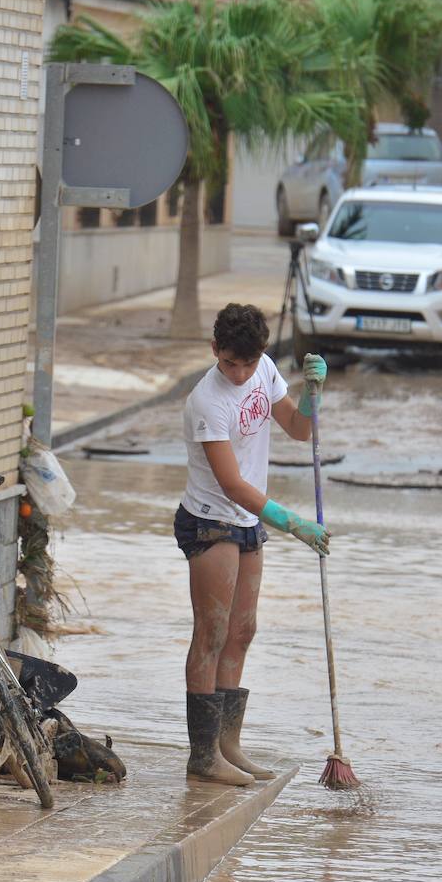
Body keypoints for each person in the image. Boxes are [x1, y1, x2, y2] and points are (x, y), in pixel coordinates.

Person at [175, 303, 331, 786]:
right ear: (215, 350)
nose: (240, 374)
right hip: (210, 520)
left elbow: (300, 429)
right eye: (230, 364)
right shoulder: (207, 403)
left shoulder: (264, 370)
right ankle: (203, 755)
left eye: (247, 363)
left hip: (248, 522)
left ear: (261, 355)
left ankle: (228, 743)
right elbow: (231, 484)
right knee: (213, 632)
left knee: (243, 631)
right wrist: (293, 522)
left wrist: (312, 395)